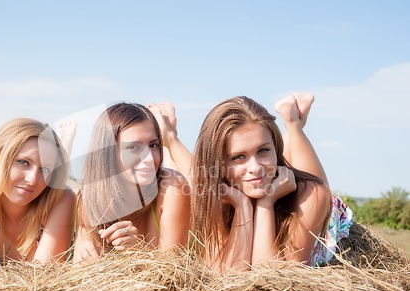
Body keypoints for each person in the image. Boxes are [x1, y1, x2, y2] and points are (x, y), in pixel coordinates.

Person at [155, 94, 353, 272]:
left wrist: (266, 203)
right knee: (199, 180)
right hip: (227, 181)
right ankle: (170, 138)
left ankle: (293, 123)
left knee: (315, 184)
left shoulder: (311, 194)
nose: (255, 167)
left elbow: (271, 278)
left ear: (276, 148)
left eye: (264, 150)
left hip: (317, 209)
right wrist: (241, 206)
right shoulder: (215, 193)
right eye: (238, 156)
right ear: (220, 164)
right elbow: (226, 273)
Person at [72, 102, 190, 263]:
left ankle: (169, 136)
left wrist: (139, 252)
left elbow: (175, 273)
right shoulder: (88, 197)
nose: (149, 158)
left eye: (154, 145)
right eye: (134, 147)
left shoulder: (173, 187)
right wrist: (84, 258)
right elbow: (78, 273)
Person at [0, 118, 75, 268]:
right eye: (23, 162)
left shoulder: (59, 199)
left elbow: (43, 280)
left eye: (45, 169)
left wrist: (4, 249)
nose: (32, 179)